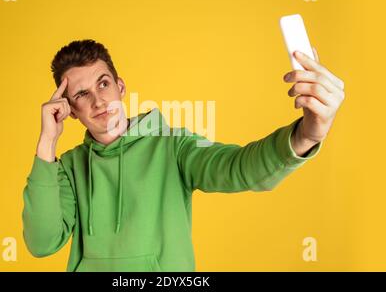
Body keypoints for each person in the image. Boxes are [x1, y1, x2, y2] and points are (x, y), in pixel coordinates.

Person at [22, 39, 345, 272]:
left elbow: (240, 167)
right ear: (71, 111)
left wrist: (307, 134)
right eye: (81, 94)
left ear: (120, 87)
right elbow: (42, 243)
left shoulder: (173, 147)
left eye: (103, 83)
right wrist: (47, 143)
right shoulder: (64, 168)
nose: (98, 100)